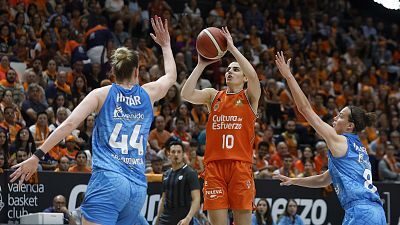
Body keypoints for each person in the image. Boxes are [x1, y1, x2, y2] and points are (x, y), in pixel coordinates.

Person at [10, 16, 177, 225]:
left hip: (109, 180)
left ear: (113, 71)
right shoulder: (149, 93)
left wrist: (37, 155)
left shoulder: (101, 94)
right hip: (137, 187)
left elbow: (69, 124)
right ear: (137, 71)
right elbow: (171, 76)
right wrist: (166, 45)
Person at [273, 52, 386, 225]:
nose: (335, 118)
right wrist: (293, 180)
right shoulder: (358, 148)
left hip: (361, 212)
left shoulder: (341, 141)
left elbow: (305, 109)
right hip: (374, 212)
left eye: (340, 116)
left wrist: (288, 76)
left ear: (350, 126)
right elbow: (324, 179)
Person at [181, 27, 261, 225]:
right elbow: (186, 94)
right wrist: (200, 65)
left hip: (240, 166)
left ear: (243, 78)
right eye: (228, 69)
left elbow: (253, 76)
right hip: (214, 167)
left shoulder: (250, 97)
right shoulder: (213, 96)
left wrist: (232, 48)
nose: (229, 71)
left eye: (235, 69)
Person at [155, 141, 201, 225]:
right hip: (165, 219)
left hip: (183, 219)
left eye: (179, 152)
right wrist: (158, 218)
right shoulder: (166, 174)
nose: (176, 154)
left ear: (183, 154)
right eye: (173, 152)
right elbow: (163, 198)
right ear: (169, 154)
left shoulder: (190, 173)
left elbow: (196, 199)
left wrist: (188, 218)